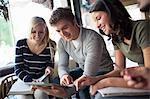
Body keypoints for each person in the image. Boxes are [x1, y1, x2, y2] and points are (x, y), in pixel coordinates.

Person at [72, 0, 150, 98]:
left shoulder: (142, 29)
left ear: (112, 12)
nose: (97, 25)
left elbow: (148, 73)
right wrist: (95, 79)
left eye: (99, 18)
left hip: (147, 81)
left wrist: (107, 82)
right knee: (96, 92)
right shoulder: (117, 39)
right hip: (143, 80)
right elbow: (119, 70)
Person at [46, 7, 113, 99]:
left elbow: (89, 74)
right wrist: (64, 75)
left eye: (65, 27)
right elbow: (62, 65)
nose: (63, 34)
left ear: (74, 21)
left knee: (83, 91)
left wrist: (66, 92)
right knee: (56, 82)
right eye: (58, 31)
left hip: (103, 72)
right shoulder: (62, 42)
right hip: (83, 70)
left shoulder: (92, 38)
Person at [14, 16, 56, 99]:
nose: (37, 35)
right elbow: (17, 69)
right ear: (29, 31)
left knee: (41, 95)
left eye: (41, 32)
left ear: (45, 31)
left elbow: (50, 64)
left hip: (42, 79)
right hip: (25, 79)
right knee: (24, 97)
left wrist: (49, 68)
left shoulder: (51, 45)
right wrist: (30, 81)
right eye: (33, 32)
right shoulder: (20, 44)